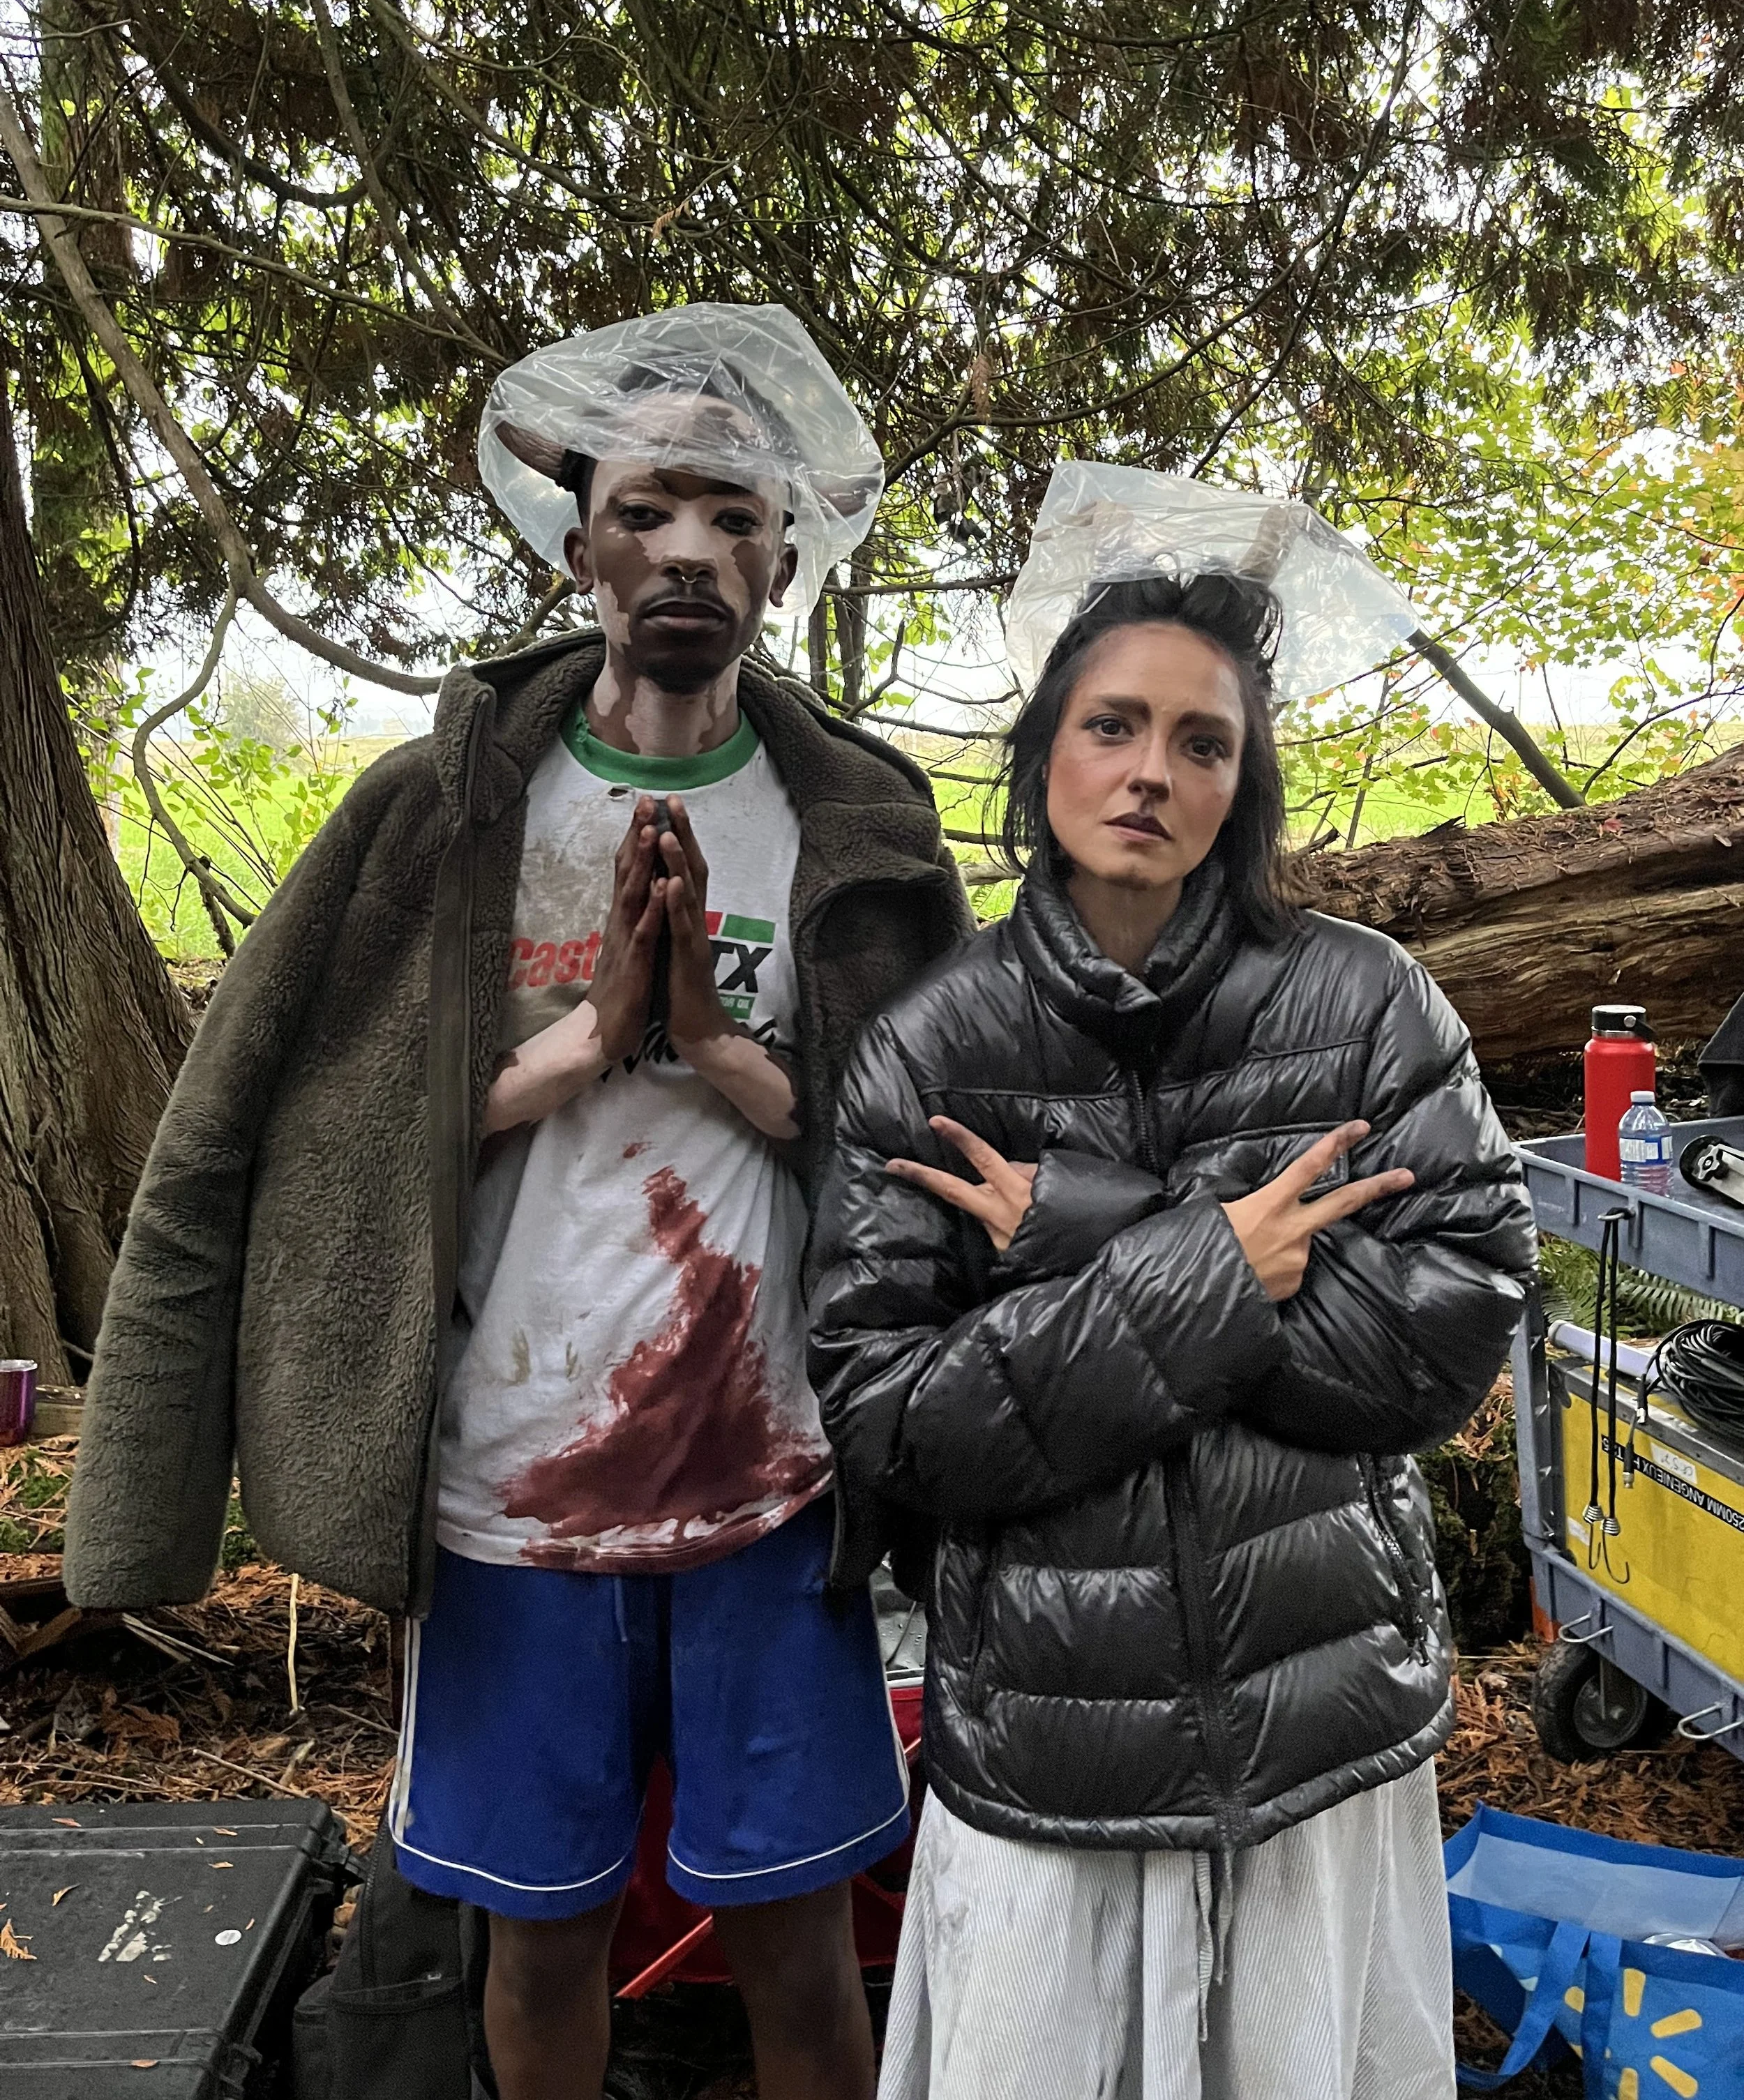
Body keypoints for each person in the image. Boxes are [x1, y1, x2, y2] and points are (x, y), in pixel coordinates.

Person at [65, 303, 974, 2100]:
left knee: (801, 1943)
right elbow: (275, 1137)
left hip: (775, 1487)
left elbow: (924, 1143)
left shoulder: (855, 822)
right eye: (645, 511)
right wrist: (580, 1047)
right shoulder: (441, 811)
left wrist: (712, 1046)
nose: (687, 548)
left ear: (782, 563)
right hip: (504, 1495)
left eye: (730, 514)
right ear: (577, 552)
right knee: (540, 1942)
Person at [807, 564, 1537, 2100]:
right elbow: (891, 1423)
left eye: (1201, 742)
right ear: (1043, 756)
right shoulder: (929, 1052)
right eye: (1112, 725)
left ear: (1240, 788)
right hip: (1049, 1737)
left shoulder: (1367, 1004)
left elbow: (1439, 1346)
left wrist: (1098, 1230)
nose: (1150, 770)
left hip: (1320, 1719)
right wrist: (1210, 1267)